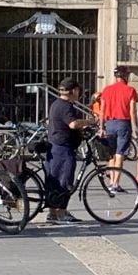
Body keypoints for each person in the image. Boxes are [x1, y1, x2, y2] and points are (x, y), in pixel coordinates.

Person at [44, 79, 98, 224]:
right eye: (78, 90)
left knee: (53, 180)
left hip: (54, 146)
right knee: (64, 180)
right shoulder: (66, 106)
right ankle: (61, 213)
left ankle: (53, 212)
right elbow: (73, 124)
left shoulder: (56, 104)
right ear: (73, 91)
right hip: (62, 148)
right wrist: (89, 122)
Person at [98, 66, 138, 189]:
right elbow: (132, 111)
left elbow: (102, 110)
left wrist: (101, 127)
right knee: (120, 153)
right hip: (123, 123)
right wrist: (135, 127)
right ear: (126, 76)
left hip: (109, 123)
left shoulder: (106, 90)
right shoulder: (130, 90)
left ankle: (111, 182)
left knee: (111, 154)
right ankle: (116, 183)